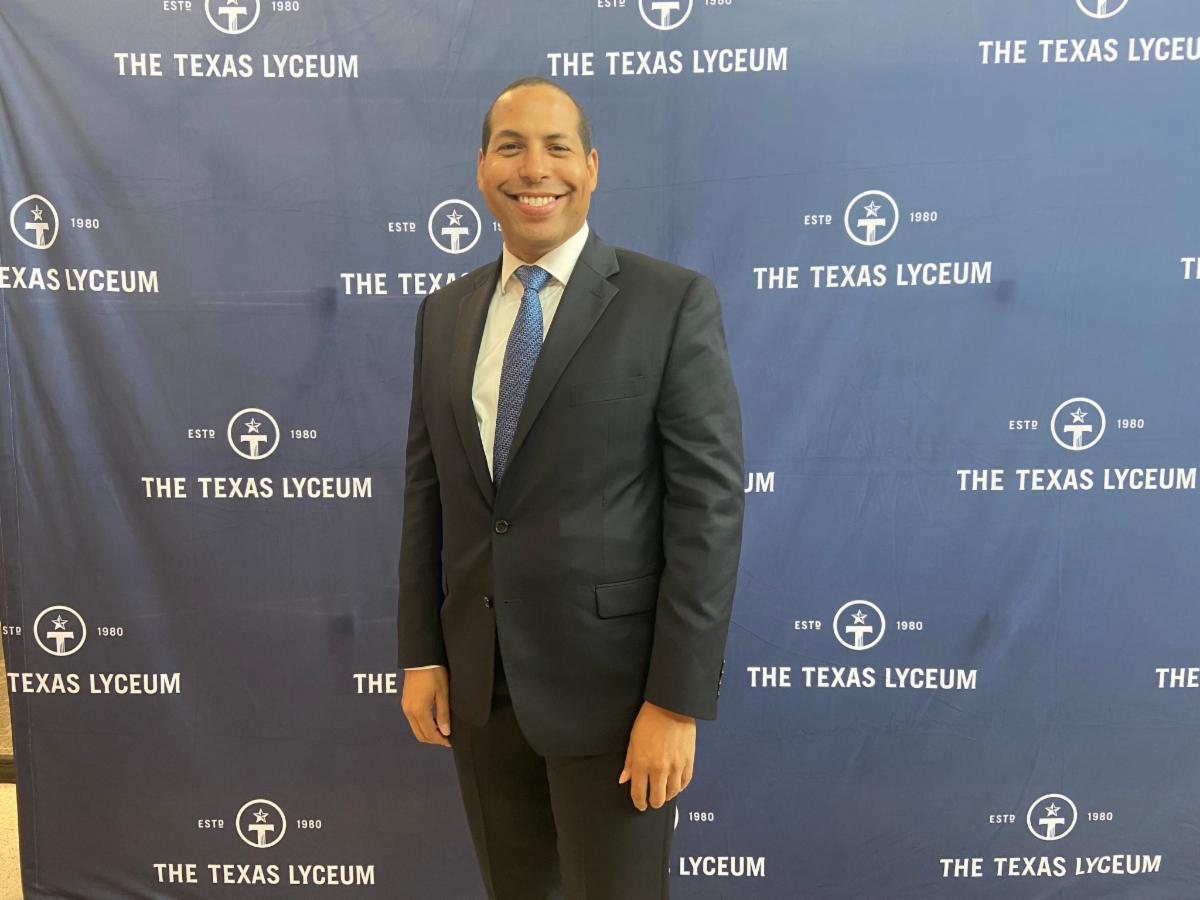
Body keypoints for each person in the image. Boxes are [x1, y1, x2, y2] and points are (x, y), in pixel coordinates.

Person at [396, 75, 744, 900]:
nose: (534, 169)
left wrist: (676, 702)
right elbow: (427, 494)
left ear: (591, 167)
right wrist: (421, 652)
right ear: (482, 168)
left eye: (557, 148)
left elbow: (708, 510)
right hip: (481, 691)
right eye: (510, 147)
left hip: (617, 699)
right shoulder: (443, 313)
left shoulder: (670, 303)